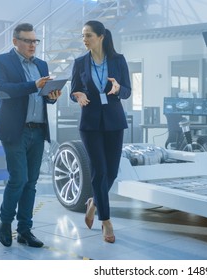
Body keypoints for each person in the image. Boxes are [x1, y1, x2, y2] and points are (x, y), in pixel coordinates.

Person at [0, 23, 62, 247]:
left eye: (35, 41)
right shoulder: (0, 61)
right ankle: (5, 222)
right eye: (28, 41)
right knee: (18, 179)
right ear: (15, 41)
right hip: (15, 131)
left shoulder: (41, 64)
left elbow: (44, 96)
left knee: (31, 183)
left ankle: (25, 230)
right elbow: (1, 89)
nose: (33, 45)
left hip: (38, 131)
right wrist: (33, 85)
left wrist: (52, 95)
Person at [70, 20, 131, 243]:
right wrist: (77, 95)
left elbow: (127, 91)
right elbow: (73, 90)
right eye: (83, 36)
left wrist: (118, 89)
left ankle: (93, 202)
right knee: (100, 171)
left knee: (112, 171)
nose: (84, 40)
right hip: (90, 124)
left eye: (88, 35)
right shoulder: (79, 63)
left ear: (101, 36)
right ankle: (106, 221)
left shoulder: (118, 60)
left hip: (114, 121)